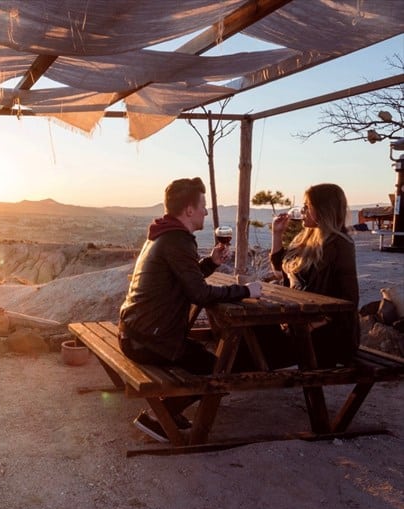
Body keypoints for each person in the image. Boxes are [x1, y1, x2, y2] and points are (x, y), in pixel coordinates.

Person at [118, 177, 262, 441]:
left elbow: (184, 279)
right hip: (148, 341)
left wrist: (210, 263)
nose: (206, 211)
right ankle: (158, 416)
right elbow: (200, 294)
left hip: (137, 333)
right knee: (219, 368)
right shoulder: (178, 240)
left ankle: (169, 412)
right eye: (203, 205)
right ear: (189, 210)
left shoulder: (163, 235)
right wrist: (246, 291)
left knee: (203, 355)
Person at [267, 182, 360, 368]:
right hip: (300, 323)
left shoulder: (340, 245)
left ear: (323, 210)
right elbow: (280, 268)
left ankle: (211, 382)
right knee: (249, 334)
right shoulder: (305, 238)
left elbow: (349, 300)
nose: (302, 211)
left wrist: (309, 326)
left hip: (329, 335)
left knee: (257, 342)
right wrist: (277, 234)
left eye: (307, 206)